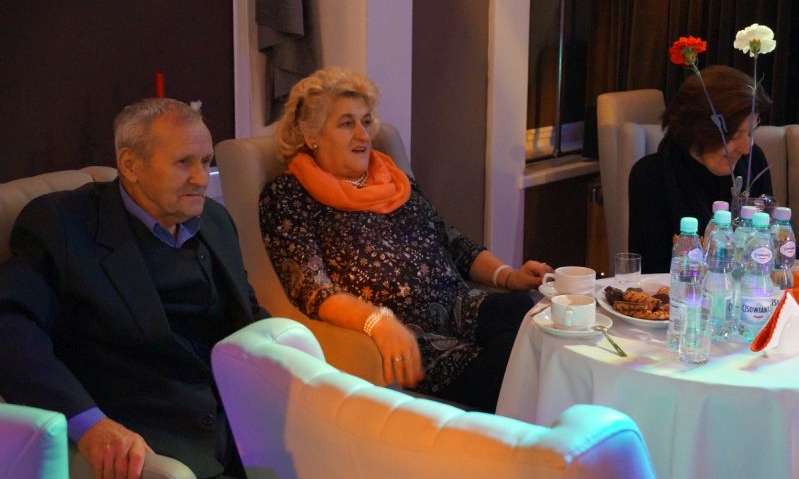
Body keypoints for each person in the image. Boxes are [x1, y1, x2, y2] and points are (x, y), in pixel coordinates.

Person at [0, 99, 268, 479]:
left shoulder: (215, 221)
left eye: (205, 161)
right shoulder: (63, 225)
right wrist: (88, 423)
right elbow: (10, 328)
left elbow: (246, 314)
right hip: (149, 440)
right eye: (183, 163)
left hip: (242, 427)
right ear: (130, 165)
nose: (200, 178)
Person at [259, 67, 551, 412]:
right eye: (346, 123)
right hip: (408, 335)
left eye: (366, 121)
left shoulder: (392, 178)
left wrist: (510, 276)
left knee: (531, 315)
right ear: (312, 134)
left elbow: (451, 241)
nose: (363, 135)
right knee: (511, 365)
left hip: (460, 307)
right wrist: (377, 321)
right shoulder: (289, 194)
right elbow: (311, 288)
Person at [629, 65, 799, 274]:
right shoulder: (651, 175)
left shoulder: (752, 161)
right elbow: (650, 272)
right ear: (699, 129)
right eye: (736, 135)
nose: (746, 148)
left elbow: (764, 237)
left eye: (750, 133)